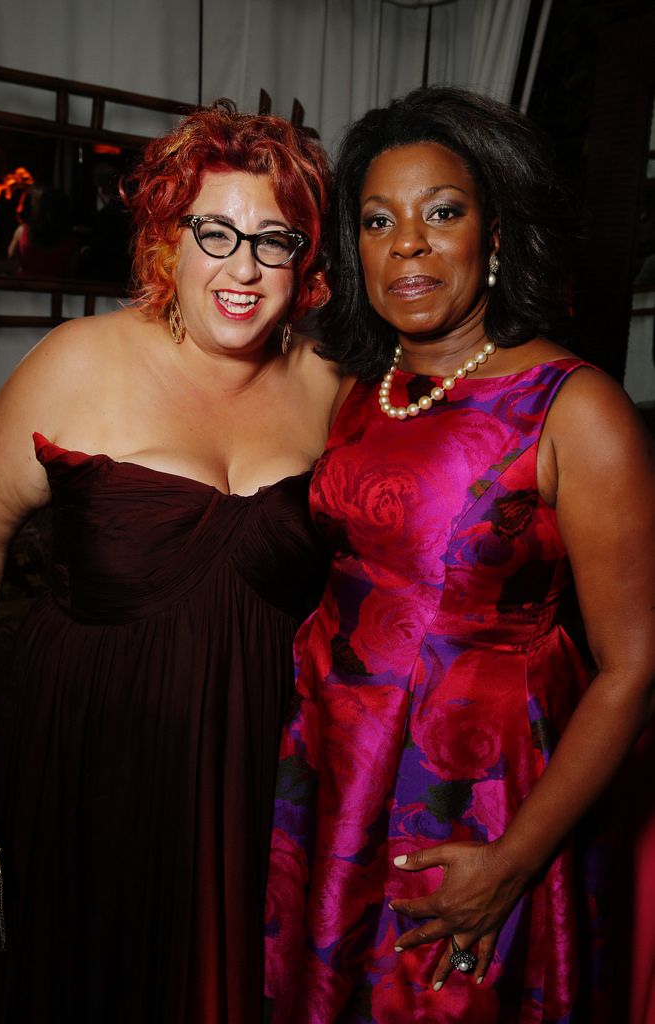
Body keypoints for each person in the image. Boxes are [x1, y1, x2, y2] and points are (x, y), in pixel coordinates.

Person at [264, 86, 655, 1023]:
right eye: (376, 219)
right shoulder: (361, 385)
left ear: (493, 233)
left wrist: (513, 862)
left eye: (441, 212)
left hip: (470, 791)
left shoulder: (574, 408)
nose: (407, 242)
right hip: (334, 762)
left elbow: (633, 667)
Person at [0, 101, 340, 1023]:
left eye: (274, 240)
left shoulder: (332, 390)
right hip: (85, 753)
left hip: (256, 762)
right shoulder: (75, 363)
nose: (243, 269)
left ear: (306, 261)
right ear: (165, 239)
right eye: (213, 231)